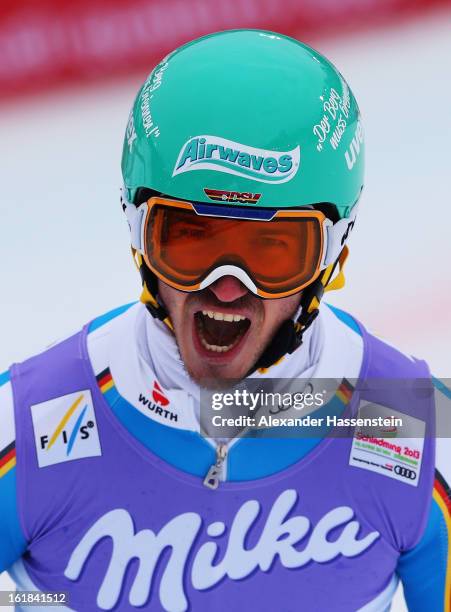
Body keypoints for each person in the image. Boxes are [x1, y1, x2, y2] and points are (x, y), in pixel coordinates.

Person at [0, 29, 449, 612]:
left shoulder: (419, 429)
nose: (227, 286)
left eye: (271, 251)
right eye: (190, 240)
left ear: (332, 254)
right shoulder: (29, 425)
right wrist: (44, 603)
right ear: (138, 234)